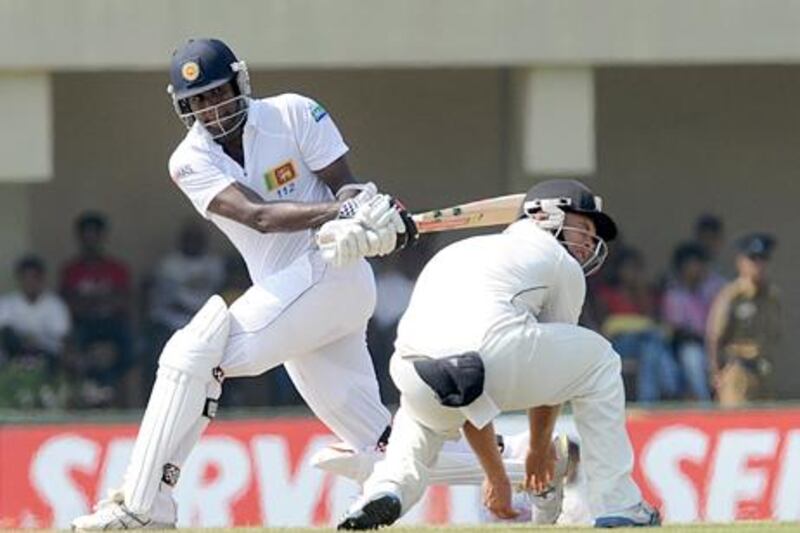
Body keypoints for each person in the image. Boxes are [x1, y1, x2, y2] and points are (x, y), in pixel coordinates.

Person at [71, 37, 512, 530]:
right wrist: (345, 212)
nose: (211, 110)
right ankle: (542, 463)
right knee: (379, 447)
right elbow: (259, 216)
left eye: (218, 94)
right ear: (184, 107)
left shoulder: (296, 113)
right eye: (197, 102)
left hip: (334, 274)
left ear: (241, 82)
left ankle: (143, 504)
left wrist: (365, 212)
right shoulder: (188, 160)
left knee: (192, 353)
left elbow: (344, 183)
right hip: (293, 300)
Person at [335, 179, 660, 529]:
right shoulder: (558, 263)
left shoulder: (459, 251)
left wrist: (498, 475)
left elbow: (465, 383)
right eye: (582, 228)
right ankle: (620, 506)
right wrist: (537, 449)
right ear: (544, 215)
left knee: (419, 425)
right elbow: (553, 381)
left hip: (413, 370)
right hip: (495, 356)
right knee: (600, 361)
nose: (589, 243)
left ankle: (386, 490)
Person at [60, 211, 134, 403]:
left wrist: (92, 302)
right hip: (82, 324)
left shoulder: (117, 268)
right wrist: (101, 302)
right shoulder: (71, 270)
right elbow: (69, 304)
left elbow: (123, 301)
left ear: (102, 237)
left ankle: (122, 406)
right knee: (73, 351)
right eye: (86, 236)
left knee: (130, 347)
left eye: (95, 235)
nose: (90, 241)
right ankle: (80, 404)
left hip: (113, 323)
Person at [594, 247, 679, 403]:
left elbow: (651, 320)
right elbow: (605, 327)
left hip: (645, 342)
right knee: (654, 342)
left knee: (651, 347)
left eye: (636, 268)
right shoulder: (607, 293)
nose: (632, 272)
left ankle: (648, 400)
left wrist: (640, 292)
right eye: (628, 268)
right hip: (619, 343)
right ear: (618, 270)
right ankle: (668, 390)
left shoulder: (644, 293)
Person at [706, 233, 781, 406]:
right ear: (741, 262)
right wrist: (716, 373)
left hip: (763, 370)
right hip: (737, 371)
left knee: (765, 423)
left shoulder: (771, 296)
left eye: (763, 259)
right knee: (735, 422)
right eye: (753, 259)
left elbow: (774, 334)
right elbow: (714, 336)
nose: (759, 265)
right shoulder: (732, 296)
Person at [0, 255, 71, 408]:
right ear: (19, 279)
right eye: (25, 277)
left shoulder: (55, 305)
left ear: (41, 279)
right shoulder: (7, 303)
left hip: (47, 357)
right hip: (15, 355)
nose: (30, 282)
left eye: (34, 277)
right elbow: (5, 334)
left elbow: (62, 339)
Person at [661, 242, 718, 401]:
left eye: (700, 264)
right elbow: (677, 332)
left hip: (709, 345)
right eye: (694, 264)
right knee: (692, 356)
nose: (699, 268)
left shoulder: (706, 292)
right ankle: (704, 404)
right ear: (682, 267)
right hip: (682, 348)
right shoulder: (674, 295)